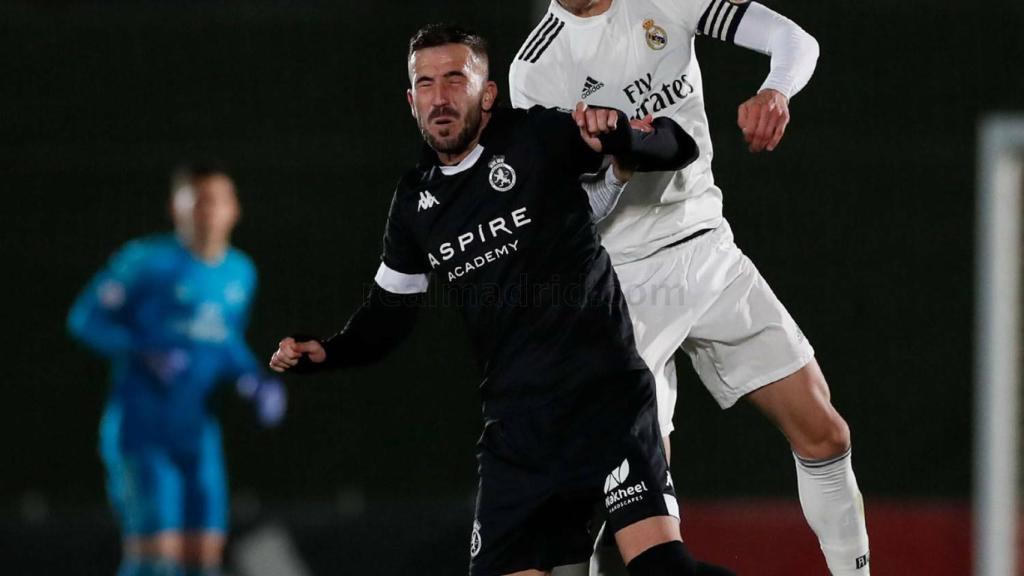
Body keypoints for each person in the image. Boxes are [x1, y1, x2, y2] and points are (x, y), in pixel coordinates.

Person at [269, 23, 735, 576]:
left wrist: (621, 138)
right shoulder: (415, 203)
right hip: (517, 429)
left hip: (603, 398)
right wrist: (330, 350)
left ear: (487, 93)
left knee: (661, 567)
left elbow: (676, 145)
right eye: (424, 84)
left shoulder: (537, 138)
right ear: (410, 100)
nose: (439, 97)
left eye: (454, 80)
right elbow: (390, 314)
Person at [509, 1, 870, 575]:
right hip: (620, 281)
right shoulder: (537, 67)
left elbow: (795, 41)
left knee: (825, 432)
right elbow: (566, 211)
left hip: (707, 247)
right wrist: (621, 162)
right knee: (636, 503)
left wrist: (776, 93)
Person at [68, 163, 285, 576]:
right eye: (199, 200)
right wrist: (141, 349)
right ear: (176, 207)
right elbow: (85, 319)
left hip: (196, 432)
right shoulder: (146, 262)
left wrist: (253, 380)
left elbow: (224, 340)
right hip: (142, 428)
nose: (209, 211)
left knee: (204, 557)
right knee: (155, 559)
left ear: (234, 210)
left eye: (219, 201)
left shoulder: (240, 272)